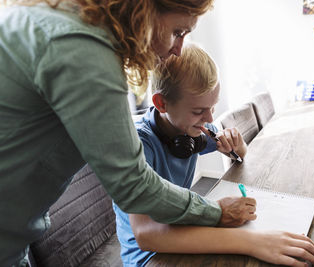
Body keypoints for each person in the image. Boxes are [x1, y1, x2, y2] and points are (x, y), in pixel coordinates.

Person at [0, 1, 256, 266]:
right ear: (144, 11)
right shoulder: (81, 50)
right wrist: (216, 212)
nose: (177, 50)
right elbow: (133, 185)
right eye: (177, 32)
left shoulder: (62, 25)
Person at [113, 44, 314, 267]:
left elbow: (240, 155)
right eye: (198, 111)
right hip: (150, 257)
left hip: (181, 229)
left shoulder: (189, 130)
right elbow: (146, 234)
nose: (209, 118)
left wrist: (237, 146)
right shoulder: (139, 145)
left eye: (213, 106)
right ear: (161, 103)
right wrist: (252, 242)